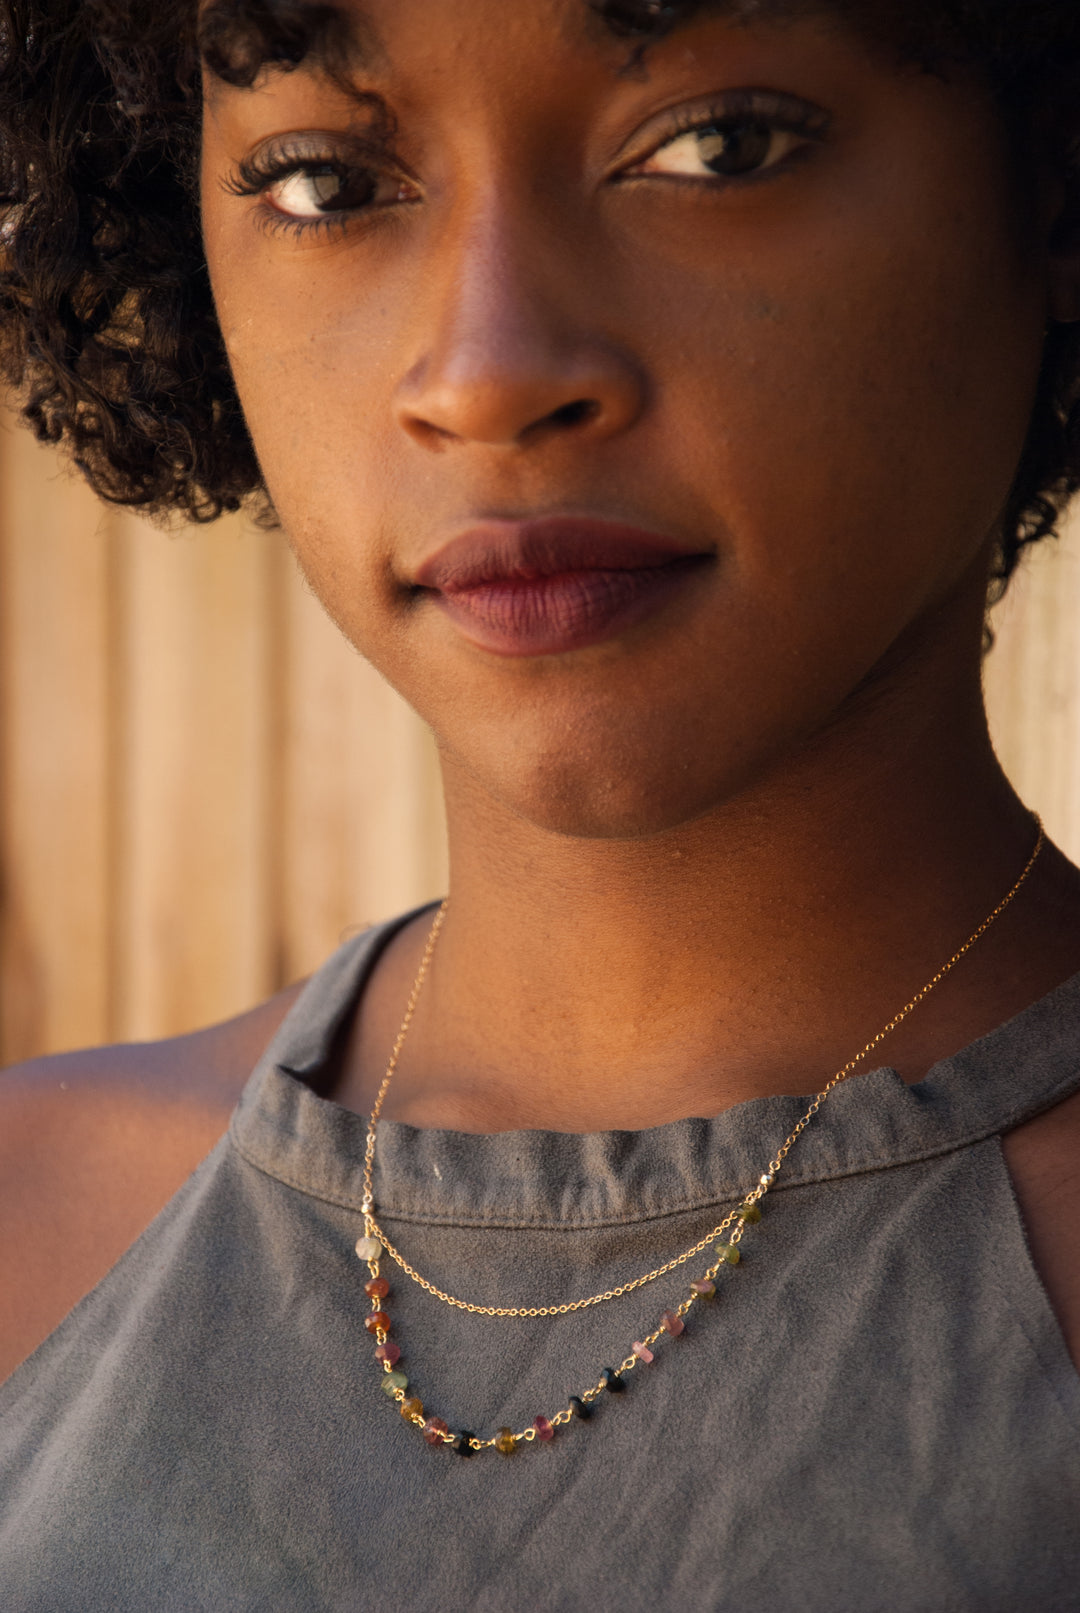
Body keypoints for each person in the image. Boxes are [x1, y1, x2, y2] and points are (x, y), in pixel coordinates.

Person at [1, 0, 1079, 1606]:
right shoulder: (38, 1226)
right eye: (325, 183)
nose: (488, 374)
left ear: (1049, 187)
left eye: (717, 148)